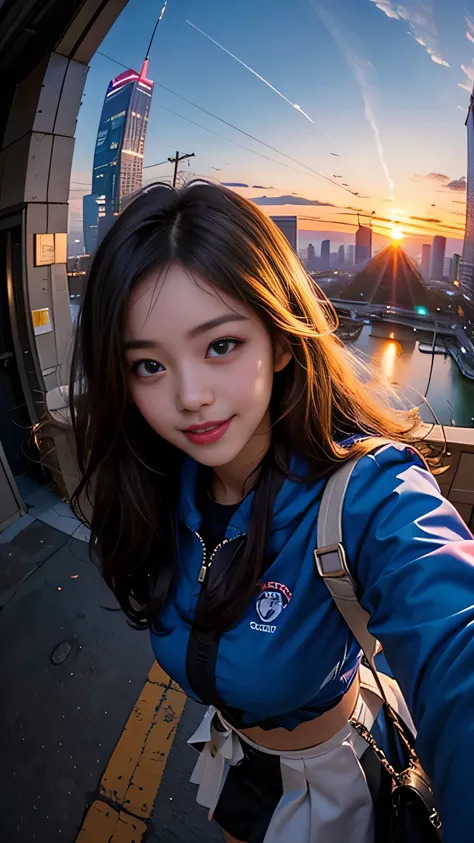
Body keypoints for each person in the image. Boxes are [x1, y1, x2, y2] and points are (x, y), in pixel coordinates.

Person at [70, 181, 474, 843]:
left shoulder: (365, 493)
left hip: (333, 789)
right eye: (148, 364)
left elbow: (456, 631)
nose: (190, 396)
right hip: (235, 763)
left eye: (220, 345)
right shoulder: (164, 484)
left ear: (280, 342)